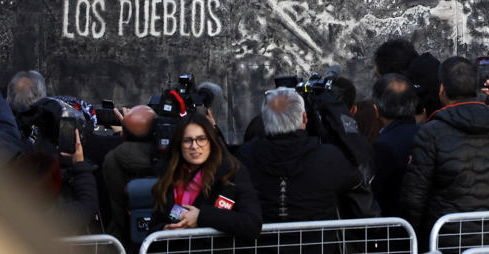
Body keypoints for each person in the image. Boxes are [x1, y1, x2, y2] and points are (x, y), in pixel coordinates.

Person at [400, 57, 489, 244]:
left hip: (445, 241)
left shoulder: (430, 133)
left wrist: (422, 240)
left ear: (442, 90)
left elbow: (414, 198)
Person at [237, 87, 363, 223]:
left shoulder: (245, 156)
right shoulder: (329, 157)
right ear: (304, 118)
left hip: (259, 242)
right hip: (318, 241)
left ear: (265, 120)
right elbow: (357, 178)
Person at [150, 114, 261, 242]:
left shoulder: (232, 172)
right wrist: (164, 231)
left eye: (201, 139)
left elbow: (252, 224)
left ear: (211, 141)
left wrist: (201, 217)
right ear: (179, 144)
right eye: (187, 140)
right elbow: (153, 226)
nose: (195, 146)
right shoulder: (168, 175)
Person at [101, 104, 158, 241]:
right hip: (165, 235)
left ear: (123, 135)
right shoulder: (169, 157)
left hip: (121, 238)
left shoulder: (111, 159)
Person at [370, 74, 421, 218]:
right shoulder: (428, 133)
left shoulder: (383, 146)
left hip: (397, 228)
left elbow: (378, 194)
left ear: (376, 111)